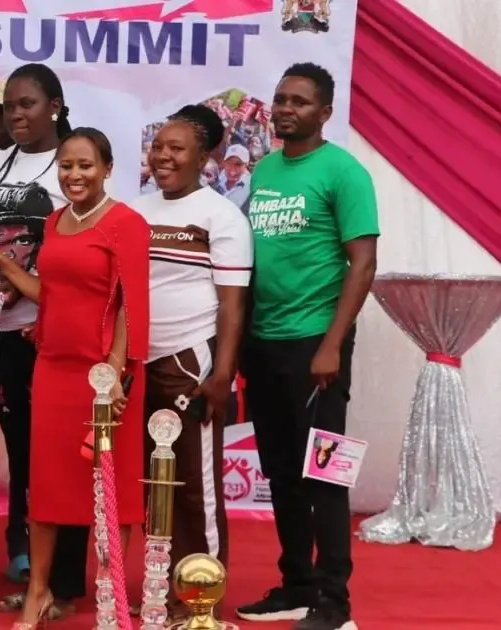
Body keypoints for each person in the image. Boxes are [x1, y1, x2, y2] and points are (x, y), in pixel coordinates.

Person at [0, 128, 151, 629]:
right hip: (54, 371)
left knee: (110, 492)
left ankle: (109, 597)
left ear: (107, 169)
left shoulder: (127, 224)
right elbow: (51, 293)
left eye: (86, 165)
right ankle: (38, 592)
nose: (74, 174)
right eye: (66, 165)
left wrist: (115, 372)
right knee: (46, 490)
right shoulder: (54, 221)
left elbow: (130, 303)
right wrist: (2, 262)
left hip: (105, 377)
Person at [234, 63, 377, 630]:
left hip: (317, 344)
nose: (286, 109)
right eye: (280, 99)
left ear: (325, 113)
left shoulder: (344, 172)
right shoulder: (266, 170)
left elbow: (363, 263)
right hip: (265, 342)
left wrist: (332, 345)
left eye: (299, 101)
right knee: (282, 474)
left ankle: (335, 605)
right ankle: (297, 586)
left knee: (324, 475)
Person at [0, 63, 92, 621]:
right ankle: (37, 579)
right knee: (28, 461)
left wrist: (46, 306)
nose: (15, 114)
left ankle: (64, 585)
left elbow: (88, 255)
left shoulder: (74, 165)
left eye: (27, 104)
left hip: (50, 335)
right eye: (9, 105)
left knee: (62, 461)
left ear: (54, 106)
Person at [129, 105, 253, 619]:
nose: (163, 156)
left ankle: (201, 597)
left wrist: (222, 374)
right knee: (150, 482)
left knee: (193, 488)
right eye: (158, 146)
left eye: (176, 149)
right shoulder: (135, 211)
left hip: (189, 360)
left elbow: (233, 304)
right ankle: (161, 585)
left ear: (203, 159)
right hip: (138, 361)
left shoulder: (221, 216)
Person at [216, 144, 252, 210]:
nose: (232, 169)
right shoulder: (216, 178)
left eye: (238, 164)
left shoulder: (251, 187)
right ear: (224, 162)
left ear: (246, 164)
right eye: (229, 163)